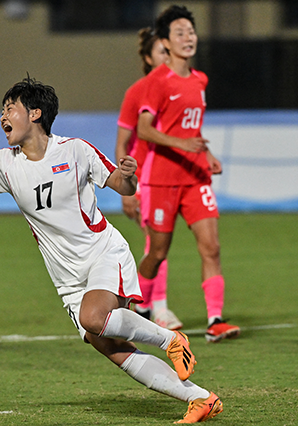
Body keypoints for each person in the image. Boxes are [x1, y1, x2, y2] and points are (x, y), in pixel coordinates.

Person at [0, 76, 223, 423]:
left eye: (10, 108)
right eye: (2, 110)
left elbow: (122, 186)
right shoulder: (4, 163)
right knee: (110, 347)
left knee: (94, 317)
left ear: (35, 113)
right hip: (66, 278)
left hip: (102, 254)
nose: (2, 116)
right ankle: (201, 398)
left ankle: (171, 338)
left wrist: (129, 176)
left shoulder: (75, 150)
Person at [136, 5, 240, 343]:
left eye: (191, 32)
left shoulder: (199, 80)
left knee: (211, 247)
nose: (188, 37)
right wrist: (184, 144)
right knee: (158, 252)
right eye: (179, 32)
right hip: (162, 179)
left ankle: (216, 320)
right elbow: (145, 130)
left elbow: (191, 127)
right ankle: (137, 306)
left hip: (195, 178)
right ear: (166, 41)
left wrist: (205, 153)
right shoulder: (156, 82)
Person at [116, 28, 182, 330]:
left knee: (157, 243)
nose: (168, 57)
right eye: (162, 52)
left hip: (169, 176)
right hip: (144, 175)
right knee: (157, 242)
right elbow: (122, 143)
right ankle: (159, 310)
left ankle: (142, 305)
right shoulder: (138, 91)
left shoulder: (179, 89)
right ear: (147, 57)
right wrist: (125, 189)